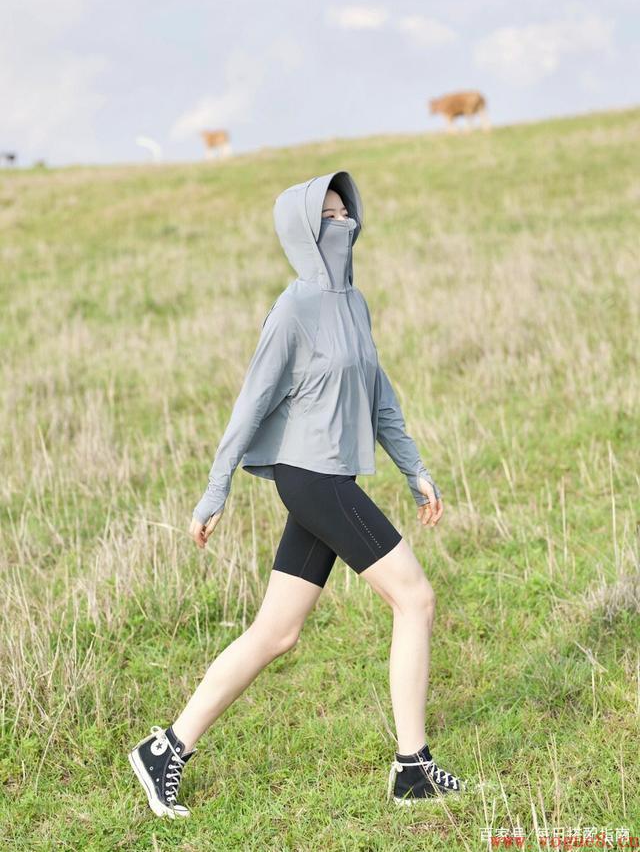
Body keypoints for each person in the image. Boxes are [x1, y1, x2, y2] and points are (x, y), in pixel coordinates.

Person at [127, 170, 465, 817]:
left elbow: (380, 394)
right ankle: (412, 765)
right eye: (330, 217)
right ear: (305, 233)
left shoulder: (354, 304)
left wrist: (414, 467)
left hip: (334, 476)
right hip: (308, 478)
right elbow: (249, 404)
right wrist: (213, 489)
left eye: (347, 213)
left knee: (277, 631)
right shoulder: (294, 309)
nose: (345, 224)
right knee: (415, 598)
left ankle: (166, 748)